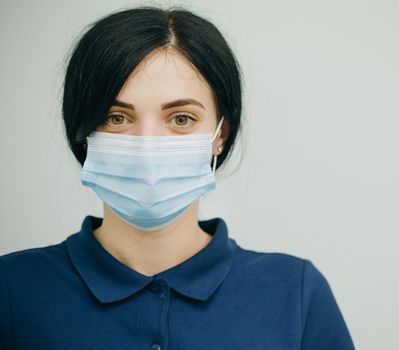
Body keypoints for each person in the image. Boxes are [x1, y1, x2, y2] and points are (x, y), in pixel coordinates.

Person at [0, 5, 355, 349]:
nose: (148, 146)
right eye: (117, 118)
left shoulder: (295, 292)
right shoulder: (12, 287)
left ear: (220, 134)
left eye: (181, 119)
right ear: (84, 131)